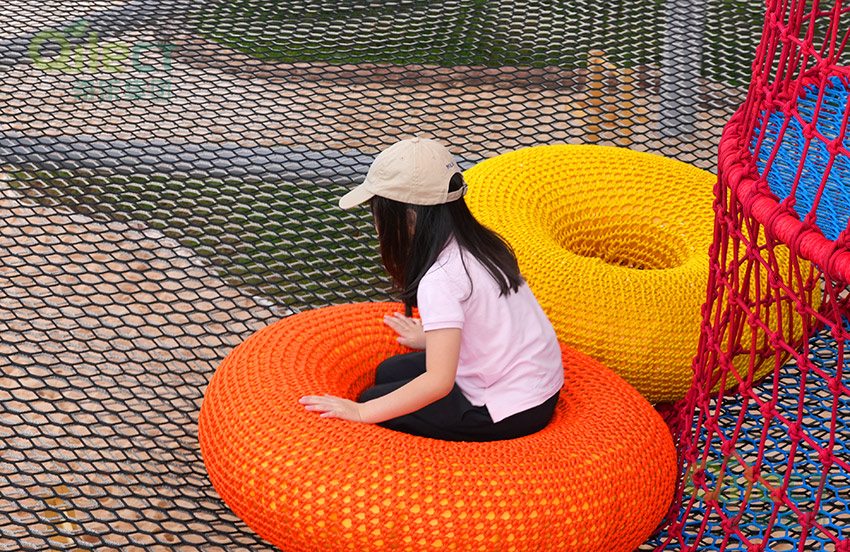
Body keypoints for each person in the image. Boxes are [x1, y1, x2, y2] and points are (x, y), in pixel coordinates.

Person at [299, 137, 563, 441]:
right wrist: (430, 338)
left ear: (409, 219)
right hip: (532, 381)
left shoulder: (441, 279)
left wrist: (361, 412)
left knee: (371, 400)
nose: (376, 226)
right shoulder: (480, 244)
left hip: (509, 407)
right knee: (388, 372)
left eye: (378, 214)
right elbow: (489, 324)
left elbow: (438, 383)